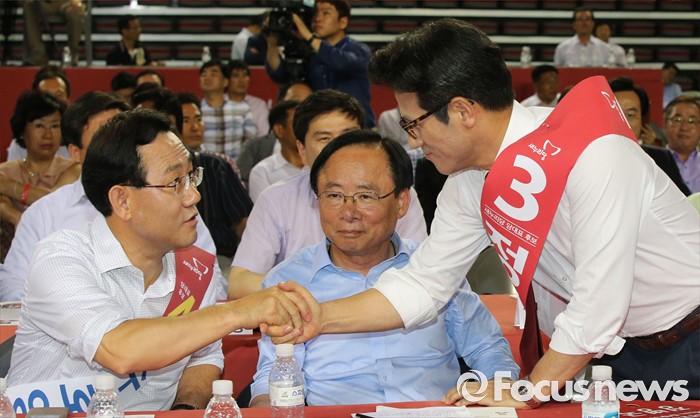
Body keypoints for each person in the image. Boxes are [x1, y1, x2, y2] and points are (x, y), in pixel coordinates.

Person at [269, 18, 700, 406]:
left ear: (462, 111)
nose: (414, 141)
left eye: (414, 123)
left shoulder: (592, 151)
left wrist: (527, 390)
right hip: (616, 353)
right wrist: (321, 318)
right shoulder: (469, 180)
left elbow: (598, 304)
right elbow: (424, 285)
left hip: (690, 336)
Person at [6, 109, 312, 411]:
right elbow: (119, 349)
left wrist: (185, 409)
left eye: (191, 177)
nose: (194, 196)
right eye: (175, 182)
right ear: (122, 201)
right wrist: (238, 311)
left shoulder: (195, 268)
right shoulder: (62, 258)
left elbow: (203, 358)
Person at [251, 130, 519, 407]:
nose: (348, 212)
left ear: (401, 202)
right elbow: (274, 374)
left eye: (365, 196)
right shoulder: (288, 281)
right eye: (334, 195)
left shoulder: (434, 267)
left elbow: (488, 348)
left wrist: (497, 386)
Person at [228, 89, 427, 299]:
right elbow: (239, 282)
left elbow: (418, 270)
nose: (339, 147)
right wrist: (323, 291)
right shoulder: (276, 199)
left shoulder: (393, 194)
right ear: (302, 150)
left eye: (349, 136)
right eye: (324, 138)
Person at [0, 92, 129, 302]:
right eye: (103, 138)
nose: (116, 147)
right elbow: (14, 285)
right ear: (76, 152)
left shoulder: (163, 200)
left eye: (122, 135)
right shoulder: (43, 214)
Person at [264, 0, 375, 127]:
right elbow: (280, 74)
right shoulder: (310, 52)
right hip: (323, 127)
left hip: (356, 127)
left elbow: (341, 62)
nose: (317, 18)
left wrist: (309, 36)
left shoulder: (360, 50)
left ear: (343, 22)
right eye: (315, 13)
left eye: (326, 13)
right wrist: (272, 43)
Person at [177, 92, 253, 277]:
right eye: (186, 121)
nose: (195, 127)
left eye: (199, 119)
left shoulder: (217, 165)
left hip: (219, 258)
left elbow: (243, 221)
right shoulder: (154, 172)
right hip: (171, 258)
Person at [0, 91, 75, 261]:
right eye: (40, 126)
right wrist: (13, 216)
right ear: (21, 131)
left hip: (61, 259)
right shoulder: (5, 171)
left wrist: (7, 186)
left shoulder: (74, 169)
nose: (48, 135)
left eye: (55, 126)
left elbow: (55, 202)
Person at [609, 77, 691, 195]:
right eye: (616, 114)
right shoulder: (588, 159)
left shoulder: (661, 158)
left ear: (642, 120)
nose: (624, 122)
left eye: (631, 115)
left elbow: (684, 200)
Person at [7, 65, 72, 161]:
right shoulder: (20, 144)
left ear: (68, 100)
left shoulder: (77, 138)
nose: (53, 102)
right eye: (46, 95)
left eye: (58, 95)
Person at [199, 60, 257, 160]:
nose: (207, 77)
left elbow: (250, 142)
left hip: (234, 167)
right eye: (204, 74)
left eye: (213, 74)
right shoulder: (196, 111)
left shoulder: (243, 109)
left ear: (225, 82)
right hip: (204, 167)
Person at [248, 100, 304, 202]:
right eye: (297, 123)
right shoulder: (262, 172)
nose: (304, 129)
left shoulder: (320, 166)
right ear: (279, 130)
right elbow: (265, 211)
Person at [554, 7, 622, 68]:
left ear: (593, 23)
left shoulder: (604, 47)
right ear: (574, 24)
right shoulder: (562, 48)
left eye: (587, 19)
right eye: (580, 20)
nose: (584, 23)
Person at [22, 0, 85, 66]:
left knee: (76, 12)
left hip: (67, 3)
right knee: (29, 6)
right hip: (44, 3)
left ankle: (73, 54)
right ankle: (38, 54)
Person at [664, 97, 700, 194]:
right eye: (678, 120)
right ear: (665, 124)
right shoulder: (653, 162)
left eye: (692, 121)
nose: (684, 127)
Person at [228, 60, 270, 135]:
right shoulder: (219, 102)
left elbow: (265, 134)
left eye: (245, 76)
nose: (241, 80)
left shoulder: (259, 105)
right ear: (227, 80)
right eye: (236, 75)